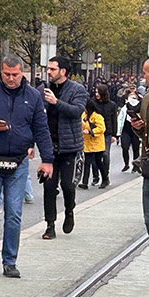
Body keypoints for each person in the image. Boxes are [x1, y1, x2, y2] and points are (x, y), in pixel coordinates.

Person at [0, 55, 54, 278]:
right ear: (1, 72)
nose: (11, 78)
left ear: (22, 73)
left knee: (14, 213)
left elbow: (41, 129)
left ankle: (9, 261)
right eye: (7, 74)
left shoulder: (33, 96)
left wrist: (47, 159)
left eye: (15, 75)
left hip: (18, 162)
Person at [41, 55, 87, 240]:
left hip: (69, 147)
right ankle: (50, 226)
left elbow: (77, 111)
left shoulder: (77, 89)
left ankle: (69, 210)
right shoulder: (42, 90)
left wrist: (56, 102)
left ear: (63, 71)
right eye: (48, 69)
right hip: (49, 148)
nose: (48, 72)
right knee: (49, 188)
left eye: (52, 69)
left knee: (68, 186)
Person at [129, 57, 149, 284]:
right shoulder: (147, 99)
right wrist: (139, 129)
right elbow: (146, 136)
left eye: (145, 74)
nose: (143, 78)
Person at [79, 98, 106, 191]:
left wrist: (91, 131)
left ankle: (105, 179)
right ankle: (84, 182)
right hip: (87, 144)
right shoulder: (84, 116)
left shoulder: (97, 116)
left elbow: (101, 128)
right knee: (87, 163)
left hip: (97, 143)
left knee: (99, 162)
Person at [93, 84, 117, 188]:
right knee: (94, 156)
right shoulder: (93, 103)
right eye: (95, 92)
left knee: (105, 154)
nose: (96, 94)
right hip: (95, 133)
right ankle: (95, 176)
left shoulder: (112, 105)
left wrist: (114, 135)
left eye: (98, 92)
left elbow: (114, 120)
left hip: (107, 133)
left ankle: (105, 175)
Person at [120, 83, 142, 172]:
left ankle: (136, 165)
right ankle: (126, 164)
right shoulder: (125, 108)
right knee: (125, 147)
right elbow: (120, 119)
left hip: (135, 130)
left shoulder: (139, 106)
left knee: (135, 147)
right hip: (126, 129)